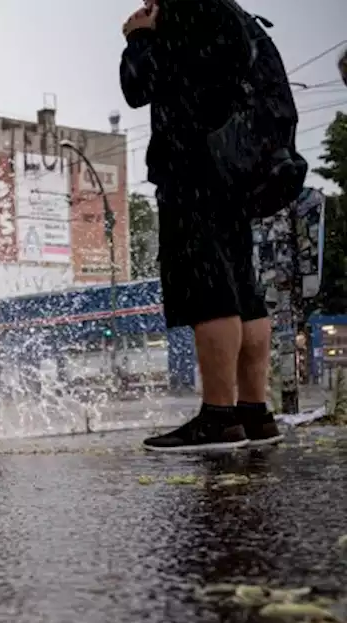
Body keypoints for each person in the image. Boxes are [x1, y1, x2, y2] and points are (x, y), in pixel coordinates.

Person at [120, 0, 283, 452]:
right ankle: (254, 412)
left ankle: (218, 418)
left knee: (209, 290)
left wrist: (138, 37)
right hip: (236, 169)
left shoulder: (185, 14)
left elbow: (141, 85)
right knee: (242, 289)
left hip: (193, 166)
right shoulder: (231, 13)